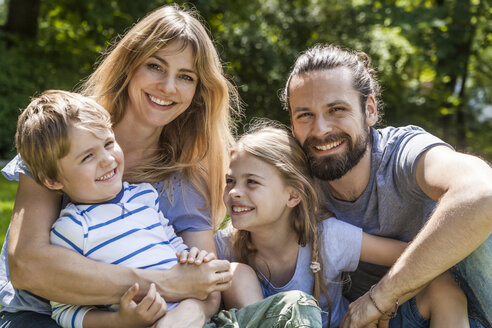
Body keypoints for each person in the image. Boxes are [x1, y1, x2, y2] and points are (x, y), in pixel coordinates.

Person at [0, 4, 239, 327]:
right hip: (38, 316)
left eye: (186, 76)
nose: (168, 87)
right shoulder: (63, 131)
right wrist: (165, 283)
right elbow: (27, 266)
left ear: (197, 91)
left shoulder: (186, 180)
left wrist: (186, 313)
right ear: (130, 65)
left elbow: (207, 290)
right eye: (155, 66)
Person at [15, 90, 322, 328]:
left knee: (297, 304)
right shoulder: (71, 228)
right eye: (87, 157)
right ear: (53, 180)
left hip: (203, 318)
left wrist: (193, 258)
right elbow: (66, 311)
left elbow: (175, 248)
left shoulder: (143, 198)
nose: (107, 160)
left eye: (109, 144)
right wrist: (120, 322)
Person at [280, 43, 492, 327]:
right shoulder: (295, 183)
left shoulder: (403, 153)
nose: (320, 129)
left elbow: (483, 193)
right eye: (305, 115)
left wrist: (379, 297)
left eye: (336, 109)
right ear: (292, 124)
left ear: (369, 110)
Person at [214, 123, 470, 328]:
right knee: (237, 274)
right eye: (230, 180)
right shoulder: (225, 246)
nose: (234, 191)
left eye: (252, 182)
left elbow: (413, 258)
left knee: (443, 287)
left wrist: (384, 299)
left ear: (293, 195)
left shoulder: (327, 237)